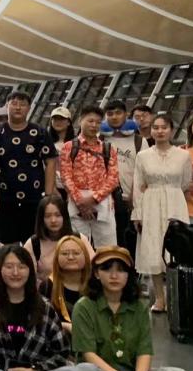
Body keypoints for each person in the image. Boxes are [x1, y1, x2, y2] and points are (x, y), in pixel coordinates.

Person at [71, 246, 187, 371]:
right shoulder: (84, 306)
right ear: (96, 273)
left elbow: (144, 351)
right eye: (107, 269)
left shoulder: (139, 307)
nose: (114, 275)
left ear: (129, 275)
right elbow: (88, 355)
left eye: (121, 270)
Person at [132, 113, 193, 314]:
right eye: (155, 127)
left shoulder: (183, 155)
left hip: (175, 202)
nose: (159, 131)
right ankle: (160, 297)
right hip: (150, 203)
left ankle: (177, 297)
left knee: (176, 249)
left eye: (164, 127)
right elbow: (138, 185)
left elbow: (186, 182)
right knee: (153, 249)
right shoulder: (143, 156)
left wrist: (172, 193)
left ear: (172, 131)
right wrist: (137, 213)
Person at [0, 90, 56, 244]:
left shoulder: (40, 133)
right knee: (5, 243)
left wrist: (48, 195)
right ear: (7, 106)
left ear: (29, 108)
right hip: (4, 198)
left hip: (34, 198)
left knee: (35, 242)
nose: (18, 107)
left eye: (22, 104)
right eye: (14, 103)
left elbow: (50, 162)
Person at [60, 104, 119, 250]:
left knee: (107, 249)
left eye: (98, 122)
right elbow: (66, 177)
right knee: (78, 247)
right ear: (81, 120)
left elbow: (113, 179)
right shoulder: (69, 147)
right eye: (90, 121)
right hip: (76, 205)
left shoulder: (108, 148)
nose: (94, 125)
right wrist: (81, 202)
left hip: (103, 204)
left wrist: (93, 199)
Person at [101, 99, 145, 255]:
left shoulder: (139, 141)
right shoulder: (100, 140)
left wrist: (135, 195)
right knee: (110, 244)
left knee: (132, 243)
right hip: (106, 201)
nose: (114, 117)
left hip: (132, 200)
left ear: (126, 115)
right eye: (110, 114)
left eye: (118, 113)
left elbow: (143, 171)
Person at [24, 194, 91, 282]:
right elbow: (27, 275)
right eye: (48, 216)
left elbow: (93, 266)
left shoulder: (79, 238)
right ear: (41, 219)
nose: (53, 220)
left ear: (65, 216)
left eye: (58, 215)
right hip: (46, 289)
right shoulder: (33, 243)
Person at [39, 234, 92, 333]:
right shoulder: (47, 286)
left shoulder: (95, 284)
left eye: (76, 253)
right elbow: (41, 319)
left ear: (85, 256)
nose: (71, 257)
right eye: (64, 253)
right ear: (57, 258)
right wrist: (64, 326)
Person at [46, 105, 74, 197]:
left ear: (69, 122)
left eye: (62, 119)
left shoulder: (76, 144)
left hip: (73, 190)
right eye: (55, 119)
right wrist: (53, 189)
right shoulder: (46, 143)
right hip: (52, 189)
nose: (58, 122)